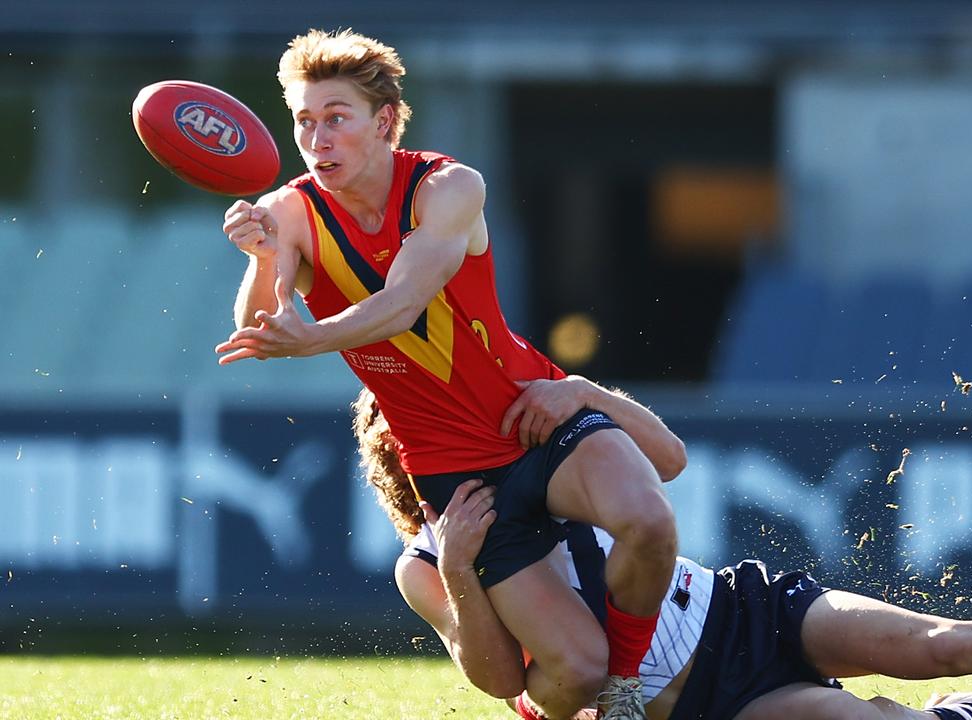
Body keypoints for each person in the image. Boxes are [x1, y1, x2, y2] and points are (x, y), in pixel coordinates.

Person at [214, 28, 678, 718]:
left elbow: (403, 304)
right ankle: (582, 694)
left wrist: (311, 339)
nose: (318, 138)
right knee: (570, 672)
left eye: (336, 118)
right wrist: (258, 258)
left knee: (649, 521)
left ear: (386, 121)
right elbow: (259, 324)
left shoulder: (449, 186)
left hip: (533, 412)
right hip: (455, 472)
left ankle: (626, 692)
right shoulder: (289, 211)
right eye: (305, 121)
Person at [355, 380, 972, 720]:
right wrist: (467, 572)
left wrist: (580, 388)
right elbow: (494, 678)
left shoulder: (536, 443)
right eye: (412, 430)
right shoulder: (430, 559)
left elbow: (666, 462)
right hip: (688, 704)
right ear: (395, 452)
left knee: (942, 642)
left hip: (738, 608)